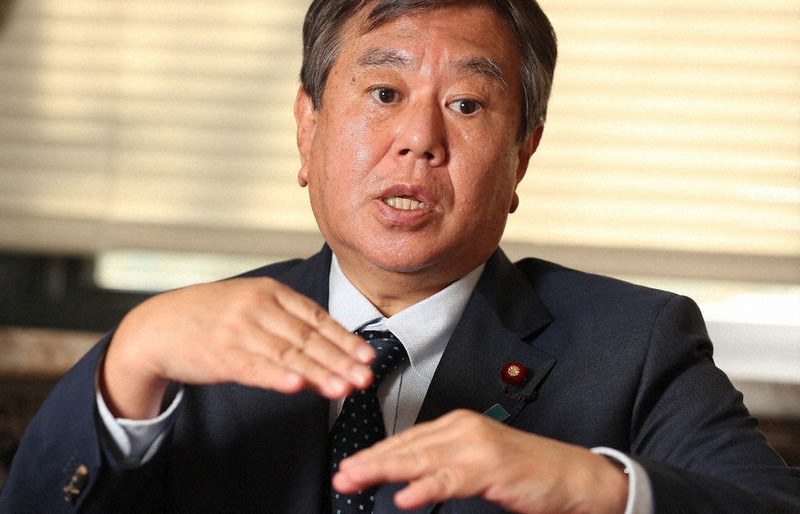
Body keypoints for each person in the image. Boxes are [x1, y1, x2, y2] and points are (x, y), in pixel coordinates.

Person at [1, 0, 798, 512]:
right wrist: (130, 362)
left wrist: (596, 486)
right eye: (384, 94)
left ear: (522, 157)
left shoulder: (634, 345)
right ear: (308, 128)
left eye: (467, 104)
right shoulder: (186, 342)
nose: (420, 138)